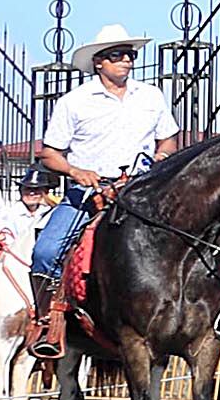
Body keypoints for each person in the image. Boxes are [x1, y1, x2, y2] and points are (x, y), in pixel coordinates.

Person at [29, 21, 179, 359]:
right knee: (47, 252)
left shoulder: (151, 96)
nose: (127, 60)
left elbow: (168, 137)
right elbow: (49, 153)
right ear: (99, 62)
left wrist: (162, 157)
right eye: (118, 55)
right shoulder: (75, 101)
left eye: (130, 54)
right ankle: (46, 321)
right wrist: (74, 170)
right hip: (89, 195)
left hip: (142, 191)